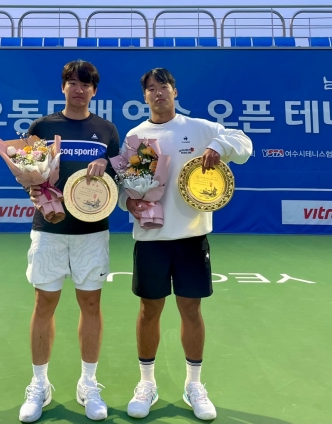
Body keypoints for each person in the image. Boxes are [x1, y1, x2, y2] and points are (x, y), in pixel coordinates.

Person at [120, 67, 252, 421]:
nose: (158, 92)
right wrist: (127, 202)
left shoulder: (200, 128)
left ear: (174, 92)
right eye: (150, 88)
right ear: (144, 97)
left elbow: (244, 144)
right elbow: (126, 184)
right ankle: (146, 383)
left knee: (191, 310)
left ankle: (194, 385)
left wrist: (218, 146)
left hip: (192, 239)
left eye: (163, 86)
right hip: (150, 239)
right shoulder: (135, 136)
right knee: (149, 311)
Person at [19, 59, 120, 423]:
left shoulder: (106, 130)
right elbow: (30, 173)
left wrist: (108, 166)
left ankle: (88, 384)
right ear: (63, 87)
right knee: (43, 304)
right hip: (49, 231)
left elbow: (119, 176)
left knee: (91, 305)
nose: (79, 89)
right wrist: (33, 189)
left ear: (95, 90)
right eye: (73, 83)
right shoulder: (42, 127)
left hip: (92, 232)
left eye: (86, 84)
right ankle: (39, 385)